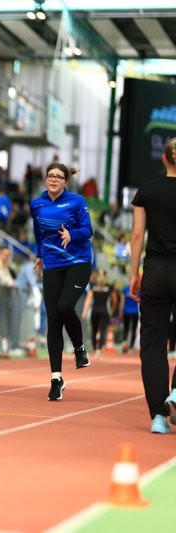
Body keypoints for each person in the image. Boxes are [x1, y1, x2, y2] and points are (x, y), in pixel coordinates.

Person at [30, 162, 94, 401]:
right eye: (50, 176)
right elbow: (39, 233)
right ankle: (56, 379)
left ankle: (79, 348)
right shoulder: (37, 204)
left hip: (78, 262)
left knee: (65, 307)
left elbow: (88, 230)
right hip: (52, 265)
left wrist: (72, 234)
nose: (54, 179)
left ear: (66, 182)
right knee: (54, 319)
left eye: (58, 176)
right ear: (45, 180)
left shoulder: (76, 201)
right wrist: (39, 255)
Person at [128, 137, 176, 434]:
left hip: (155, 271)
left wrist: (134, 274)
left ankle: (159, 415)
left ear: (164, 158)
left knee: (152, 344)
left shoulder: (147, 189)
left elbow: (137, 234)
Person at [81, 269, 111, 358]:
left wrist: (84, 312)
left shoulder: (93, 286)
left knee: (94, 330)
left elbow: (88, 299)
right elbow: (114, 300)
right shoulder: (108, 287)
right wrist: (113, 310)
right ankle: (99, 350)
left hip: (94, 311)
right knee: (103, 331)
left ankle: (94, 349)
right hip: (104, 311)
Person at [119, 283, 139, 354]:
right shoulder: (138, 290)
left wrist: (121, 312)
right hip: (135, 311)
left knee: (126, 329)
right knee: (133, 329)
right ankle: (131, 347)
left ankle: (124, 343)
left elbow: (122, 302)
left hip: (126, 311)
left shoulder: (125, 290)